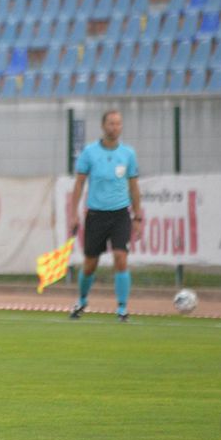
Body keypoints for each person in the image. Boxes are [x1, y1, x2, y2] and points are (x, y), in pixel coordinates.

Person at [66, 110, 143, 322]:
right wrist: (73, 214)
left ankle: (122, 308)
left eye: (118, 124)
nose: (114, 127)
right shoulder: (90, 152)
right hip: (96, 215)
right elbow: (79, 183)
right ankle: (81, 300)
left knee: (121, 258)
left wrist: (137, 217)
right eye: (111, 123)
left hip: (120, 214)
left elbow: (134, 187)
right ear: (103, 126)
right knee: (90, 263)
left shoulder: (128, 154)